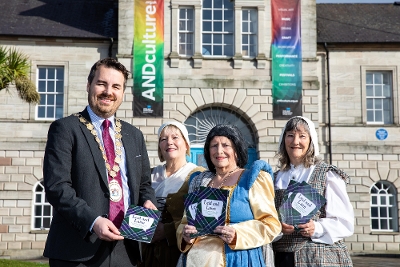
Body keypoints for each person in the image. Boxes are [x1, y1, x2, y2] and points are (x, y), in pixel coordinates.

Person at [43, 58, 156, 266]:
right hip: (77, 248)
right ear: (89, 85)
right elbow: (56, 187)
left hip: (126, 249)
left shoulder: (134, 135)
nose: (108, 92)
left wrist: (149, 202)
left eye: (116, 86)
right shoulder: (65, 129)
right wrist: (93, 221)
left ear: (122, 93)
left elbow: (144, 185)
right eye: (101, 84)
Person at [176, 124, 281, 267]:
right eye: (214, 146)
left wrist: (237, 234)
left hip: (239, 259)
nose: (219, 151)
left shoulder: (254, 179)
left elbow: (271, 225)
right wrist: (185, 236)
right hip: (200, 261)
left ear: (236, 150)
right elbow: (184, 223)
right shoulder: (199, 182)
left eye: (226, 145)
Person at [273, 116, 354, 267]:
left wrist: (316, 227)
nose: (295, 141)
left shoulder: (326, 174)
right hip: (281, 257)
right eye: (290, 135)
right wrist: (278, 227)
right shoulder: (274, 178)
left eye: (302, 136)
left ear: (311, 141)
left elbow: (345, 222)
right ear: (283, 140)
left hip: (318, 257)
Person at [139, 121, 205, 267]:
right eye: (163, 139)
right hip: (148, 254)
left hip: (180, 252)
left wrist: (166, 231)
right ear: (159, 147)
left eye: (175, 137)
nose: (169, 142)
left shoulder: (198, 175)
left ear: (186, 144)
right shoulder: (148, 175)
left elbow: (203, 218)